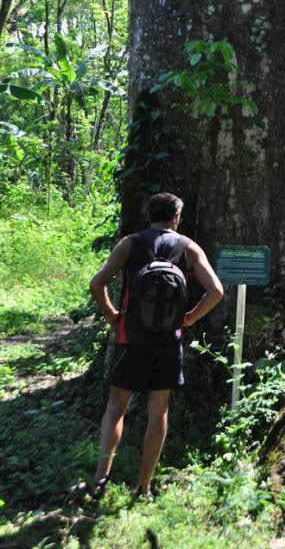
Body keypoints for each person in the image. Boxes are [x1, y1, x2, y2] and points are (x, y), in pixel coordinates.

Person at [89, 191, 224, 498]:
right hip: (167, 342)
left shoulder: (130, 243)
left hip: (130, 339)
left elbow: (96, 284)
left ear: (149, 214)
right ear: (175, 217)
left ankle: (100, 480)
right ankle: (144, 486)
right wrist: (189, 318)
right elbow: (216, 291)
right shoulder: (188, 248)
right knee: (158, 413)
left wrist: (112, 315)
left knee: (115, 409)